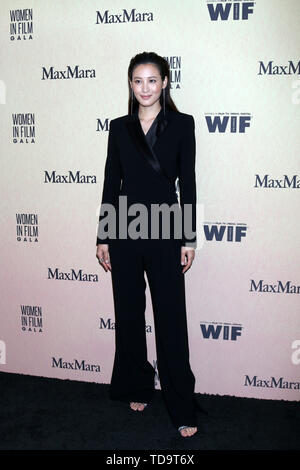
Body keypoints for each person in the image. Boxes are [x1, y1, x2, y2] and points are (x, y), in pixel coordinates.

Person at [96, 52, 198, 438]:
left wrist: (188, 238)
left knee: (171, 317)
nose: (145, 88)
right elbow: (111, 182)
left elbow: (187, 183)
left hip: (166, 228)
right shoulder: (119, 128)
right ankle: (137, 383)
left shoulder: (182, 125)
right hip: (123, 229)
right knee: (129, 312)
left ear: (165, 82)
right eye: (137, 81)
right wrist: (103, 234)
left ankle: (181, 403)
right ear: (130, 84)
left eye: (152, 80)